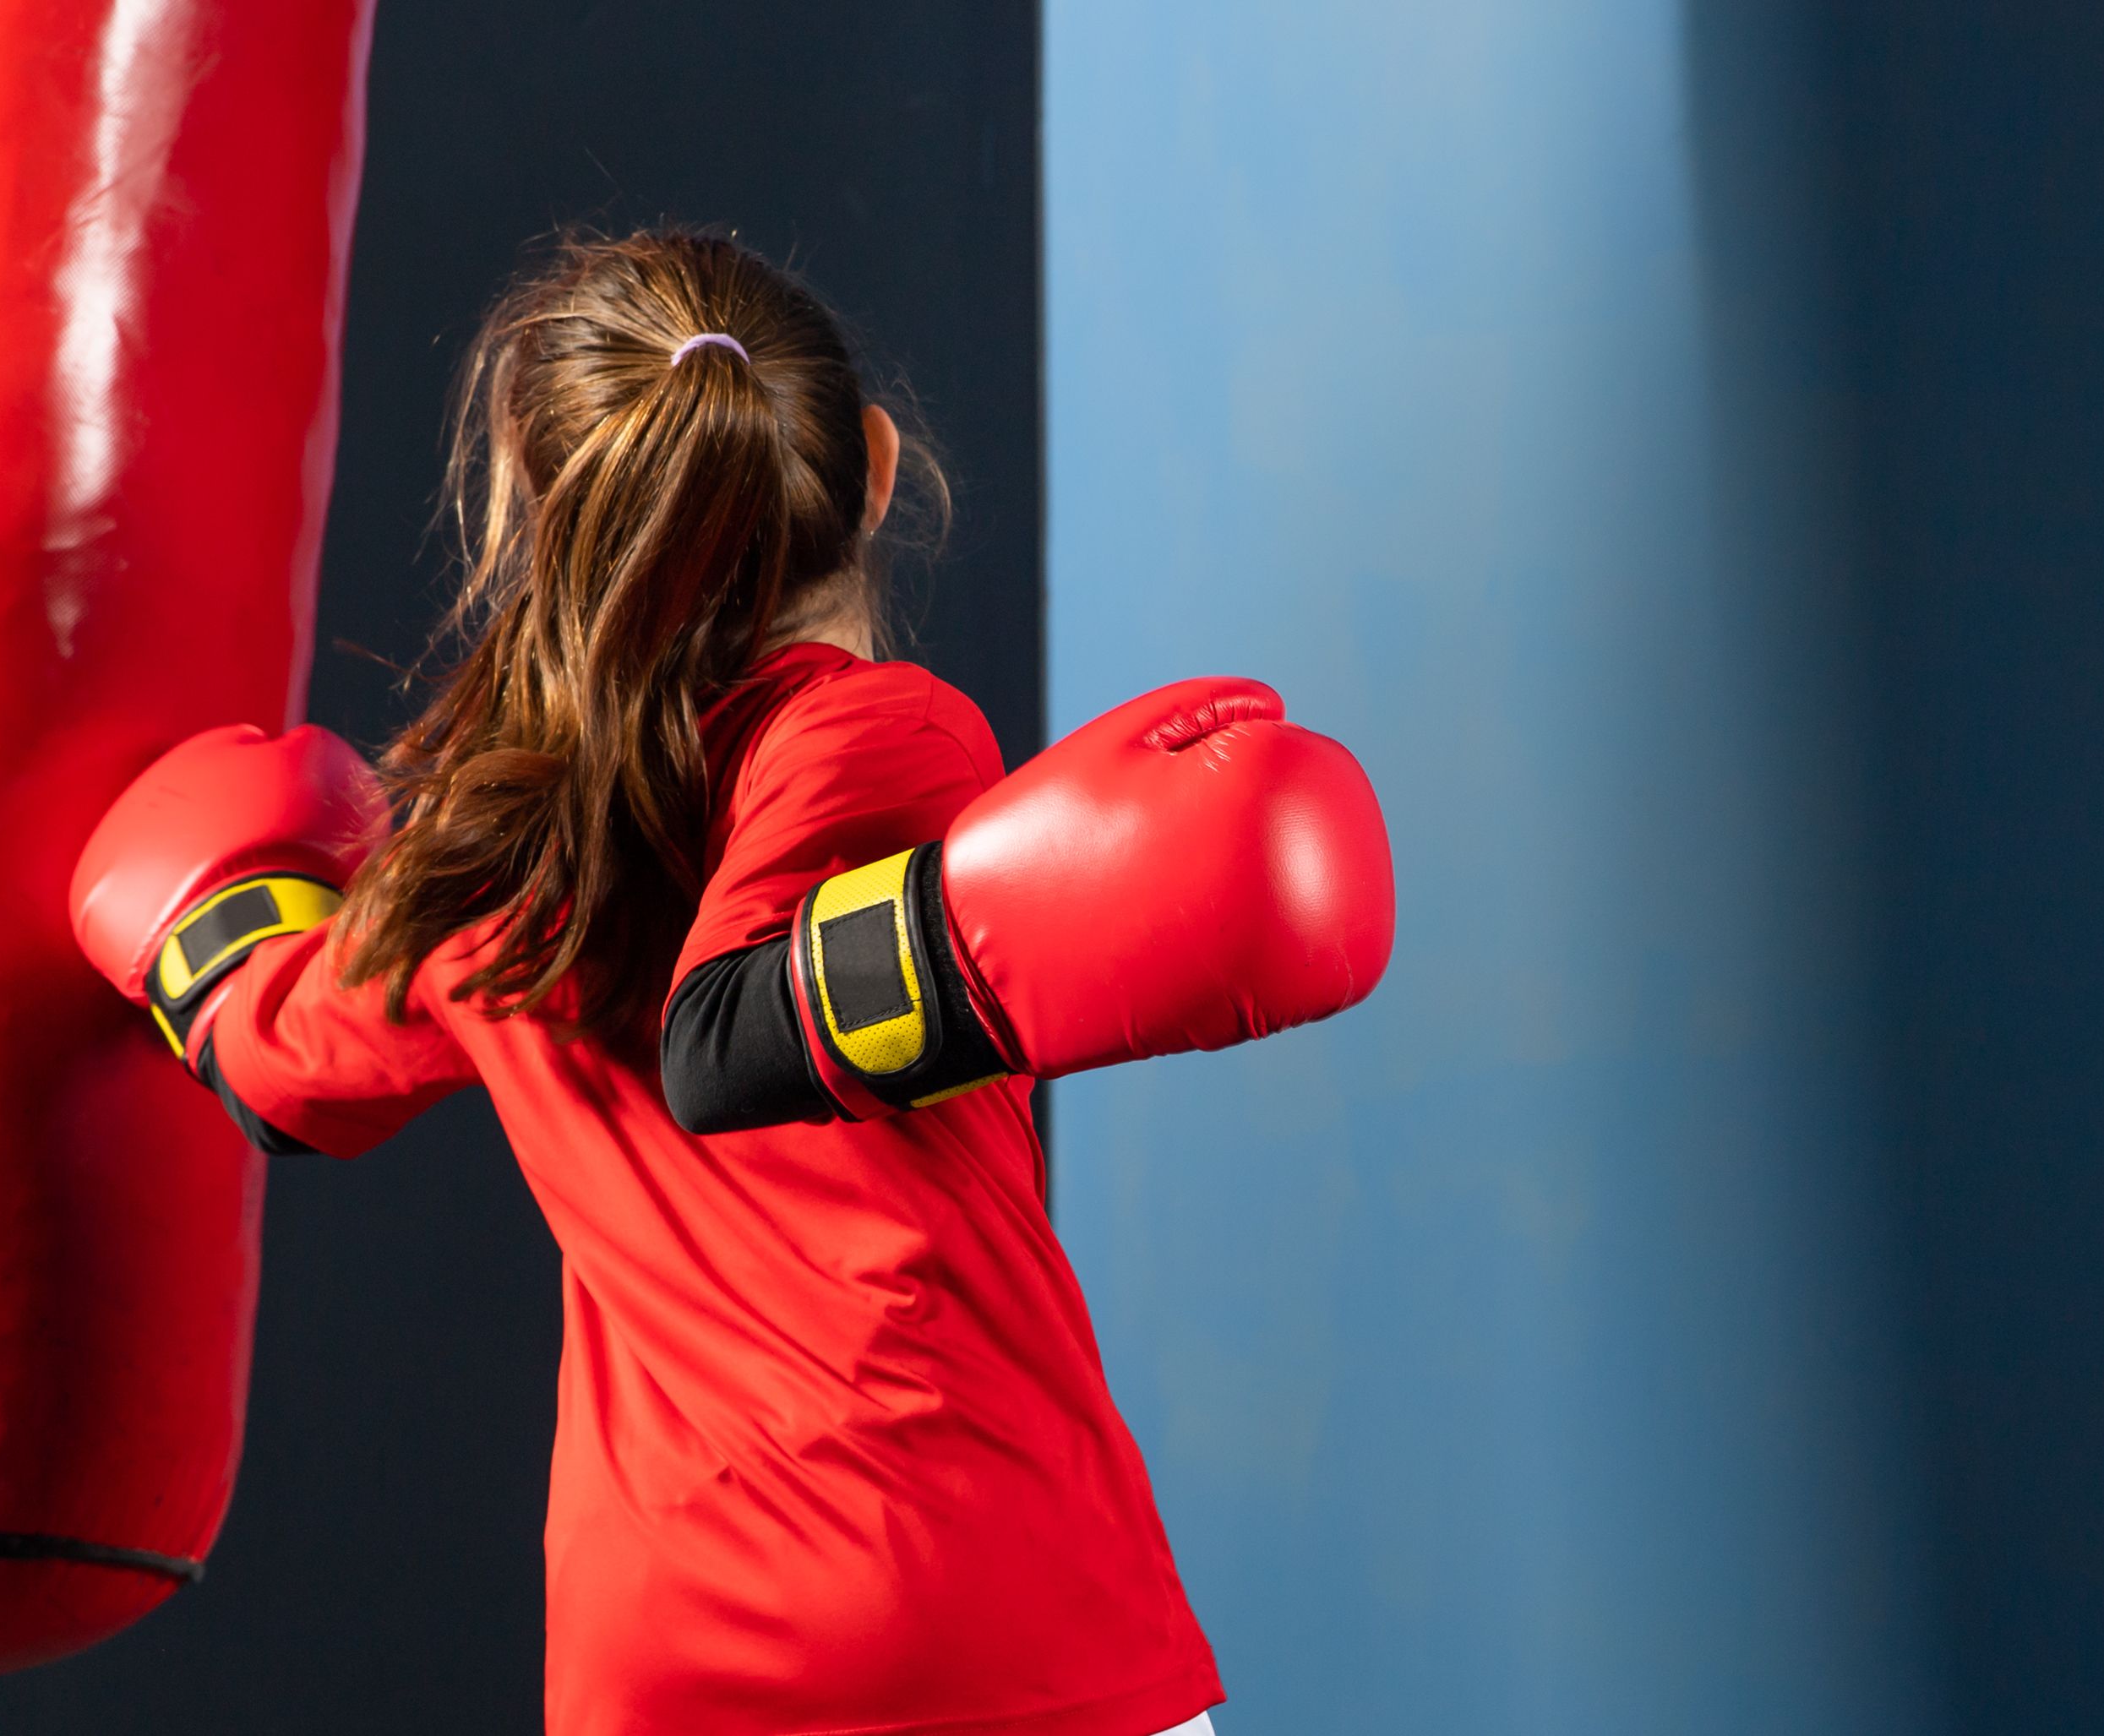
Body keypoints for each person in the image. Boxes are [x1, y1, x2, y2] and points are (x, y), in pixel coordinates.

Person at [70, 231, 1392, 1735]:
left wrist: (204, 932)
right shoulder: (874, 734)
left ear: (558, 520)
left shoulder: (494, 854)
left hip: (669, 1653)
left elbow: (281, 1076)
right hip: (991, 1601)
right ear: (874, 467)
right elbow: (725, 1040)